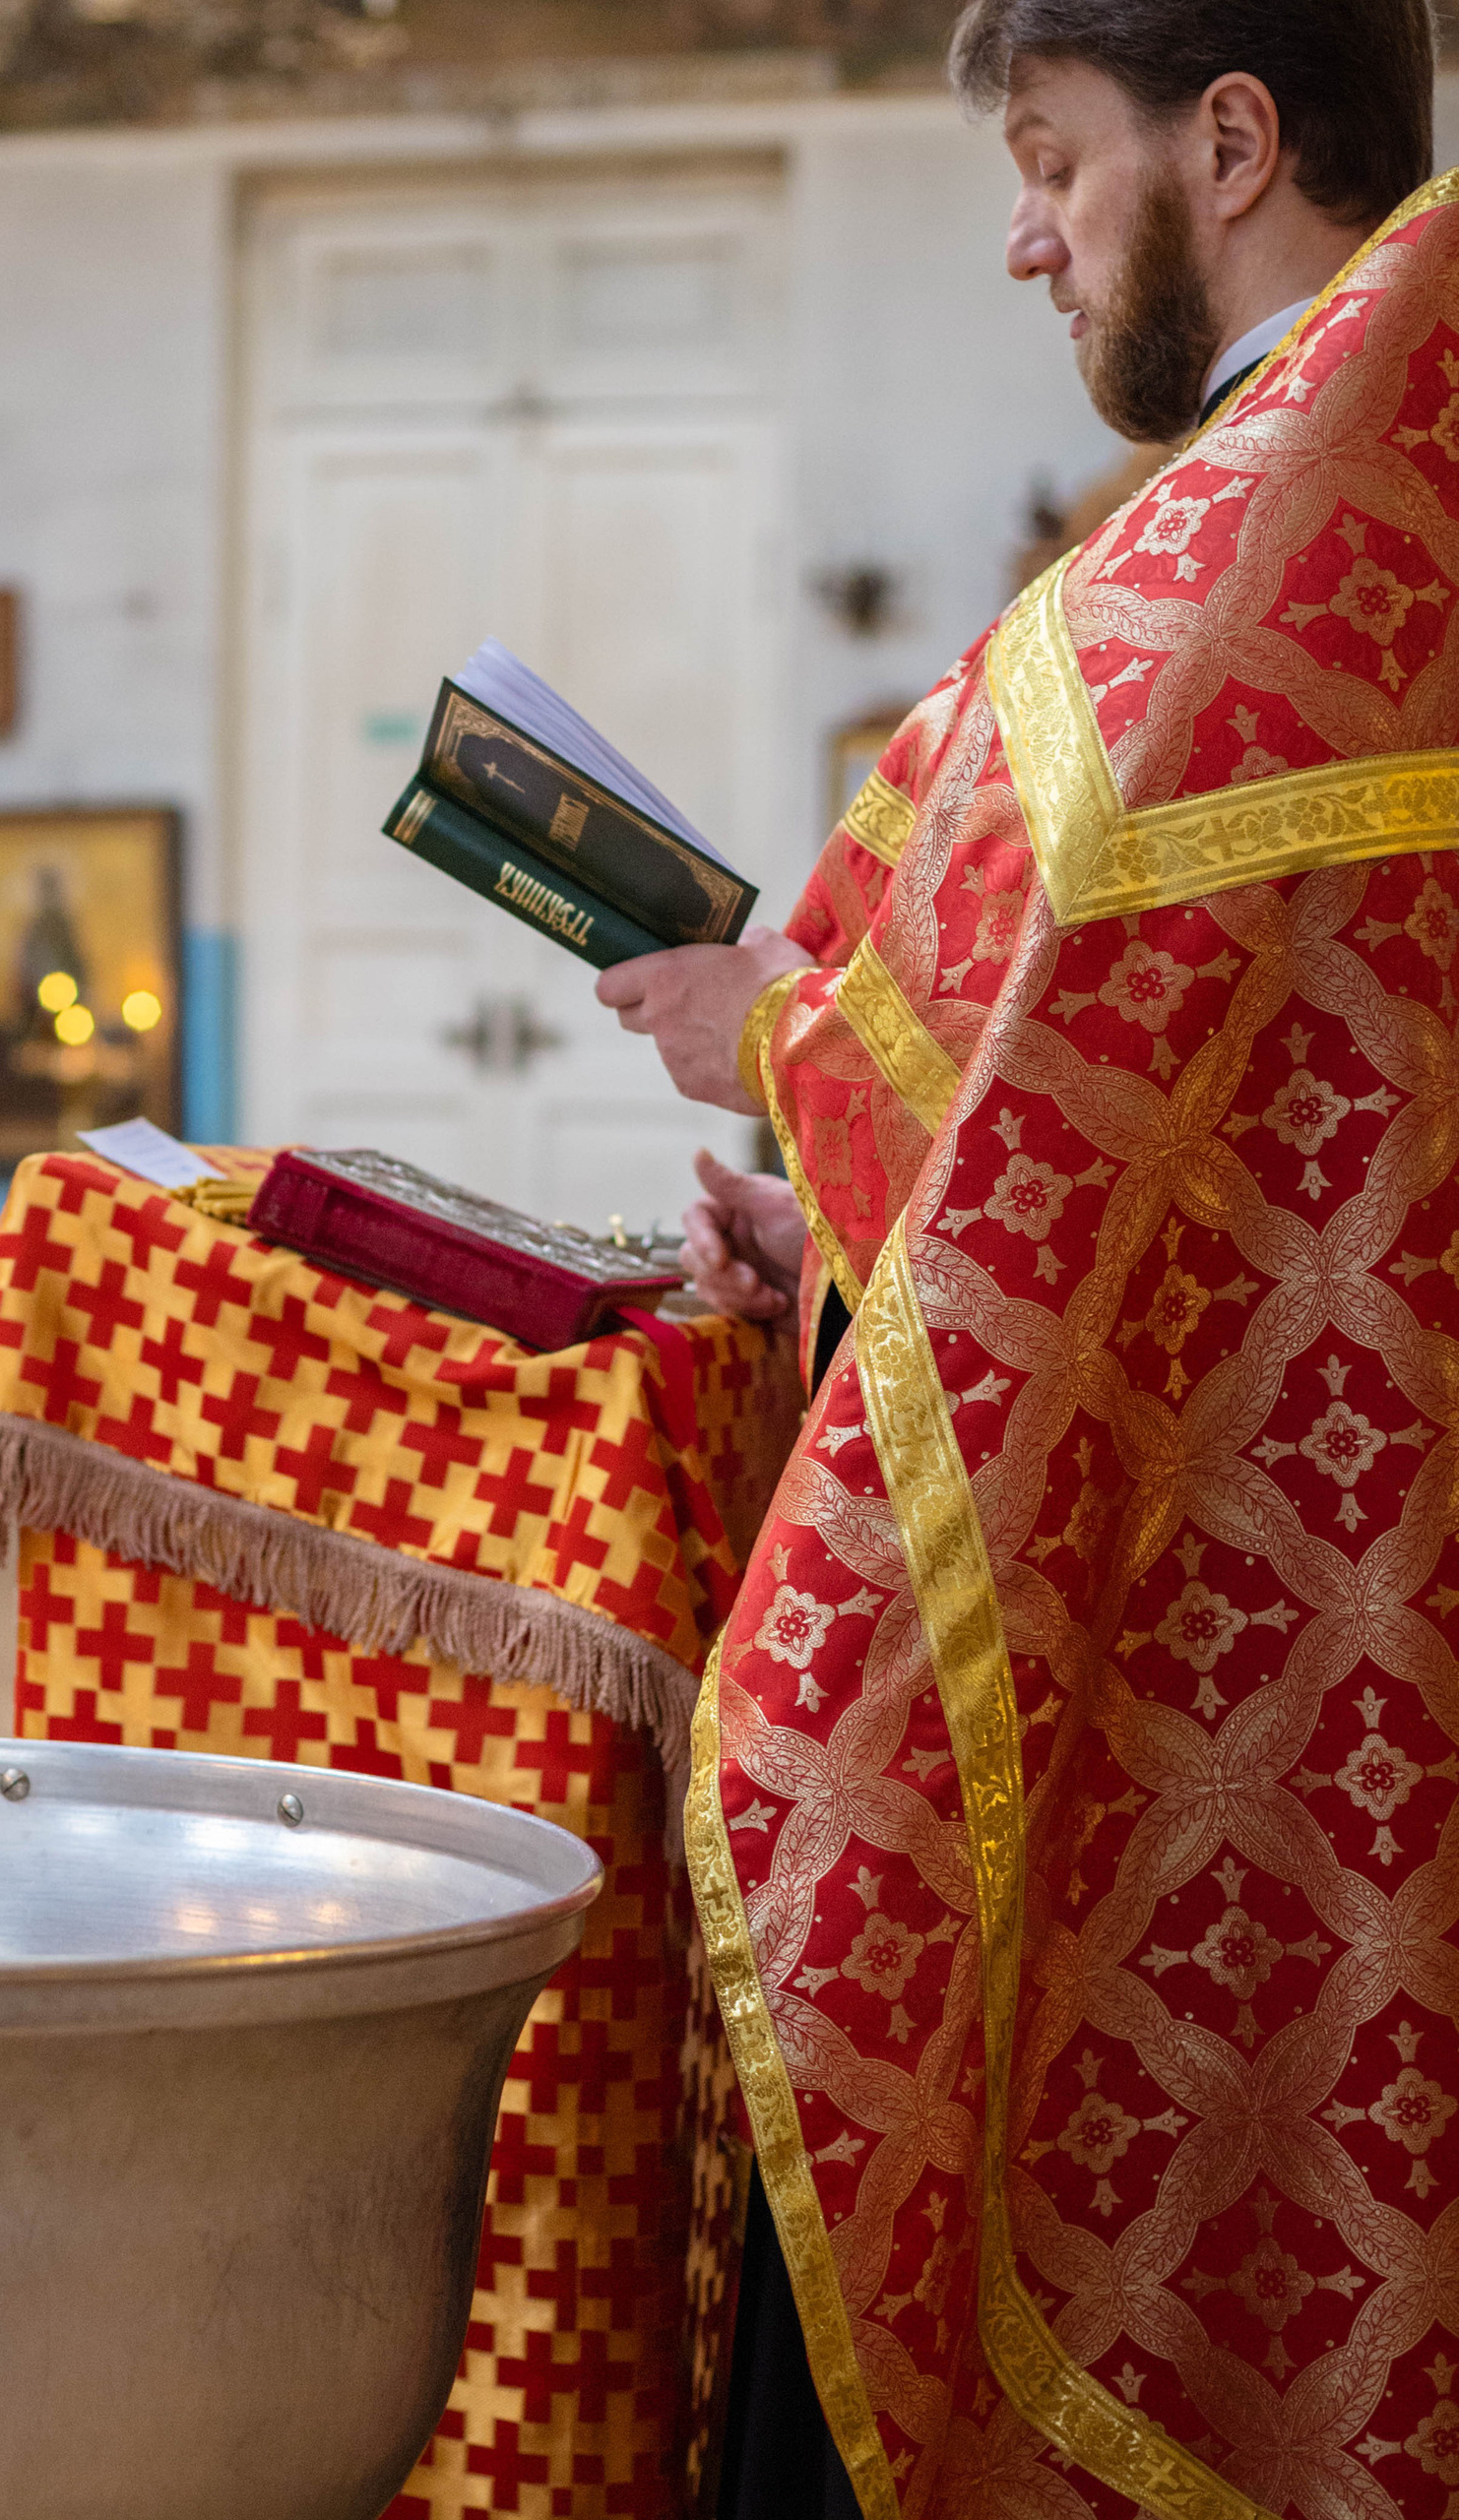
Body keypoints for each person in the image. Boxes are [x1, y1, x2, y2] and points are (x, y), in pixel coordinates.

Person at [602, 4, 1459, 2511]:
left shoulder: (1262, 539)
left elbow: (1077, 1066)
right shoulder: (1333, 495)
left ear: (1230, 138)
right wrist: (841, 1206)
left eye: (1052, 163)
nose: (1023, 232)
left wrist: (781, 1035)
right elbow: (1180, 1140)